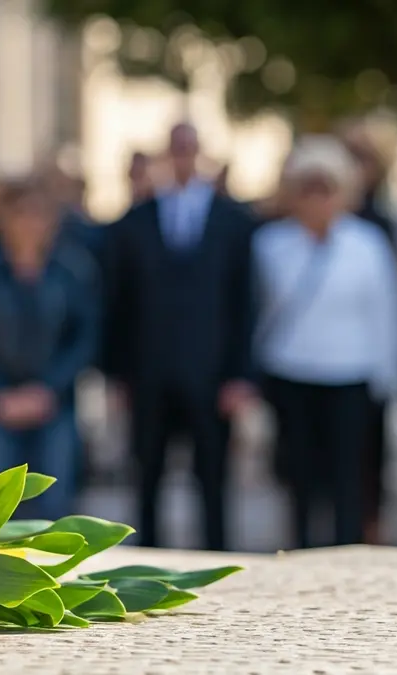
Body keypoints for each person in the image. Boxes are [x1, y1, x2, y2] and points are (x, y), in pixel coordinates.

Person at [103, 121, 259, 550]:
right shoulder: (135, 222)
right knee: (147, 475)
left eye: (190, 148)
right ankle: (149, 558)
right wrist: (117, 375)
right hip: (149, 373)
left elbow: (245, 303)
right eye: (176, 149)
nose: (183, 157)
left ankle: (216, 557)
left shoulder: (235, 222)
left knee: (212, 478)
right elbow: (119, 303)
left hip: (212, 375)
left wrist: (241, 375)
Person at [254, 136, 397, 548]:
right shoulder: (271, 245)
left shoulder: (367, 244)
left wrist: (387, 377)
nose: (318, 200)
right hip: (291, 371)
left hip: (350, 374)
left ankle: (347, 553)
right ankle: (299, 550)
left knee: (348, 478)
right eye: (309, 189)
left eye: (327, 189)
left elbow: (385, 312)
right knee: (298, 477)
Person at [0, 177, 101, 520]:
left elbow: (85, 335)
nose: (29, 222)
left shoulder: (72, 269)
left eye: (39, 213)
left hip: (55, 404)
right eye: (20, 212)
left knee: (55, 506)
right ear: (2, 218)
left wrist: (48, 389)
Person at [337, 119, 397, 545]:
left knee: (370, 456)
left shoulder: (384, 224)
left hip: (366, 359)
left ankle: (368, 531)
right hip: (322, 357)